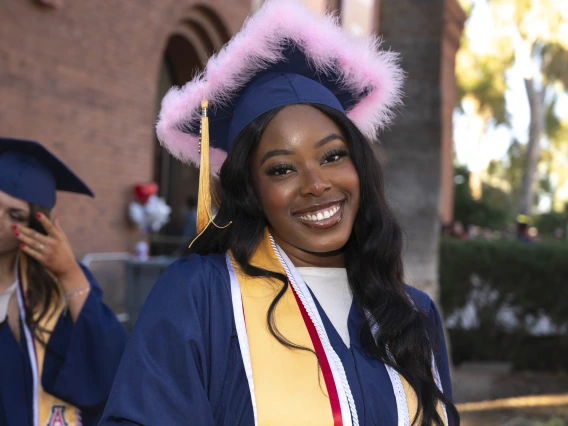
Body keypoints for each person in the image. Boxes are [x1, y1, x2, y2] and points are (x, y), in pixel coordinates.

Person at [101, 1, 459, 425]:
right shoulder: (201, 297)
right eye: (282, 168)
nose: (315, 183)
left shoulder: (411, 314)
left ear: (359, 165)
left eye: (332, 156)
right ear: (251, 189)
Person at [0, 138, 128, 426]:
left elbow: (111, 368)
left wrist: (70, 275)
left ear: (35, 224)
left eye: (14, 215)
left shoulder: (59, 285)